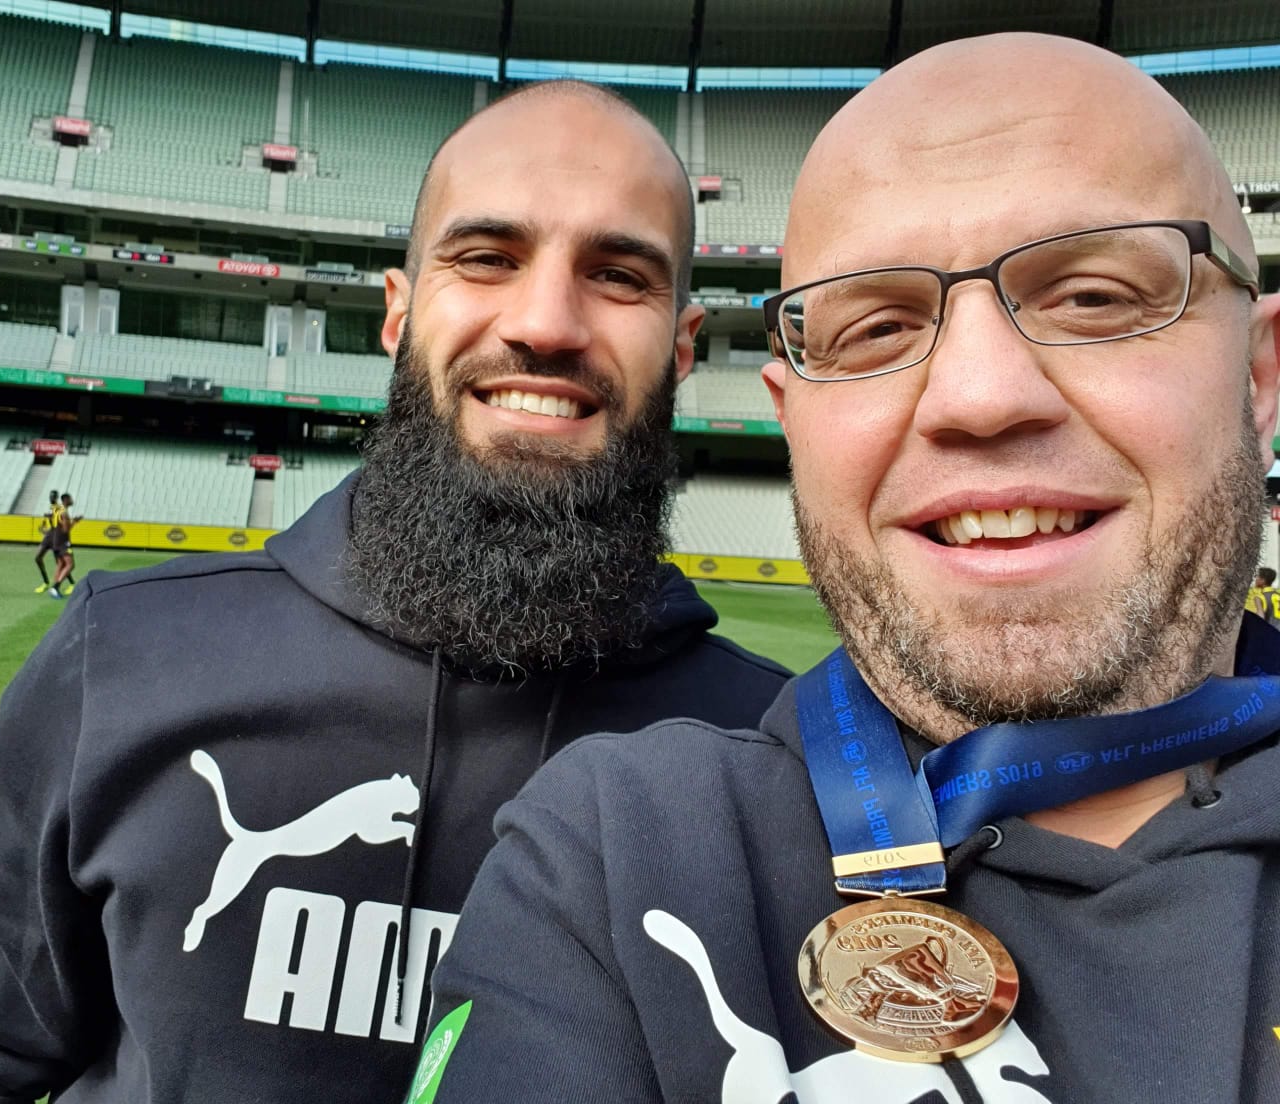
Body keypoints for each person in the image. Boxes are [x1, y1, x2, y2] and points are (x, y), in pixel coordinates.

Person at [0, 81, 793, 1103]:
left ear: (685, 345)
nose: (544, 322)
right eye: (485, 257)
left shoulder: (767, 755)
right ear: (398, 311)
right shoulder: (127, 655)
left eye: (618, 275)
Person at [417, 34, 1280, 1104]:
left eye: (1092, 297)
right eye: (874, 327)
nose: (976, 395)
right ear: (792, 423)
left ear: (1256, 373)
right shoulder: (620, 858)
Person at [47, 493, 80, 599]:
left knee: (61, 564)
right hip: (63, 542)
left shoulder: (58, 510)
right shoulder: (64, 513)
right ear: (65, 500)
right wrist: (74, 522)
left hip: (55, 541)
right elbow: (66, 530)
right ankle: (55, 588)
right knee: (70, 564)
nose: (72, 500)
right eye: (70, 498)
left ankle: (53, 589)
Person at [32, 489, 61, 594]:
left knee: (59, 562)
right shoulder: (50, 508)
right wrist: (44, 528)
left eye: (53, 496)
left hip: (56, 536)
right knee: (38, 558)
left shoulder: (58, 509)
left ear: (56, 498)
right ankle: (46, 582)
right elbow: (46, 523)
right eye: (50, 496)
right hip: (50, 535)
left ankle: (71, 583)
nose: (51, 498)